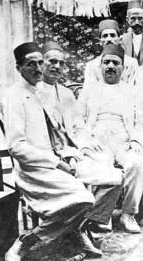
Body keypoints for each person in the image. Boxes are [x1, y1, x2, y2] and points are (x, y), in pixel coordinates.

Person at [3, 43, 106, 261]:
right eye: (31, 64)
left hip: (57, 162)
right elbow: (16, 147)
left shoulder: (42, 91)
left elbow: (59, 132)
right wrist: (56, 162)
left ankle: (73, 233)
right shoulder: (14, 96)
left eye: (41, 62)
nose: (39, 68)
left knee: (103, 183)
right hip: (33, 169)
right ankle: (26, 241)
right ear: (19, 67)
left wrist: (69, 155)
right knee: (84, 200)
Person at [37, 41, 123, 232]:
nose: (56, 66)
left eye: (61, 63)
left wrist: (86, 146)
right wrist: (64, 157)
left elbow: (78, 128)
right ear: (40, 63)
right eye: (51, 61)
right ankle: (75, 226)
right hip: (49, 159)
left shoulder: (66, 94)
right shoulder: (33, 94)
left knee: (115, 176)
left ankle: (88, 222)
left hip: (71, 152)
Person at [78, 44, 143, 234]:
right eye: (107, 62)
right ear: (100, 66)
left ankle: (128, 214)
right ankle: (102, 215)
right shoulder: (88, 91)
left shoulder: (133, 91)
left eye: (115, 63)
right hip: (97, 142)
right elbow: (77, 122)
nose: (111, 66)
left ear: (123, 67)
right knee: (101, 167)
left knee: (138, 164)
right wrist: (86, 143)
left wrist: (137, 141)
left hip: (124, 142)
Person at [84, 19, 139, 88]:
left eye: (112, 35)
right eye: (105, 36)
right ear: (100, 41)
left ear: (119, 39)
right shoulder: (91, 66)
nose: (109, 39)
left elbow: (134, 89)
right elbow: (89, 91)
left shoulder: (132, 63)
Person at [120, 0, 143, 65]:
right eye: (133, 18)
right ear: (127, 19)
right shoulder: (121, 41)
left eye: (140, 18)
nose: (137, 22)